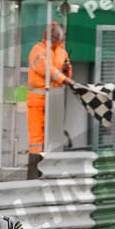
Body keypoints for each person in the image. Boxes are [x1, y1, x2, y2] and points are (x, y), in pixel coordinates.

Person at [27, 21, 73, 179]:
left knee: (53, 135)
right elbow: (46, 69)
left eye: (56, 37)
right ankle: (35, 169)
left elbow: (65, 73)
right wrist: (65, 79)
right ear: (46, 36)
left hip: (55, 98)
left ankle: (52, 168)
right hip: (37, 97)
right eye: (52, 36)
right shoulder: (37, 50)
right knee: (36, 137)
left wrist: (67, 72)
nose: (54, 39)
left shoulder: (62, 52)